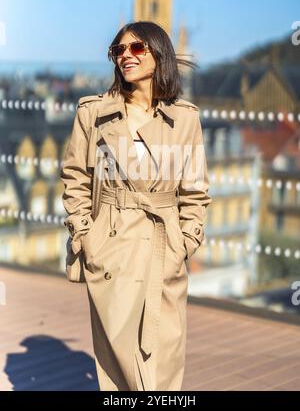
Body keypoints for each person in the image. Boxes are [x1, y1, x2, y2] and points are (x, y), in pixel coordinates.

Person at [60, 20, 212, 391]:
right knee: (118, 367)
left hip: (164, 250)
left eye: (137, 48)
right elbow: (74, 177)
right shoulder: (93, 113)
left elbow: (195, 191)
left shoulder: (185, 118)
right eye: (119, 50)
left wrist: (185, 243)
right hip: (111, 249)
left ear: (159, 54)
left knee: (164, 360)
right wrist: (86, 236)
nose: (126, 56)